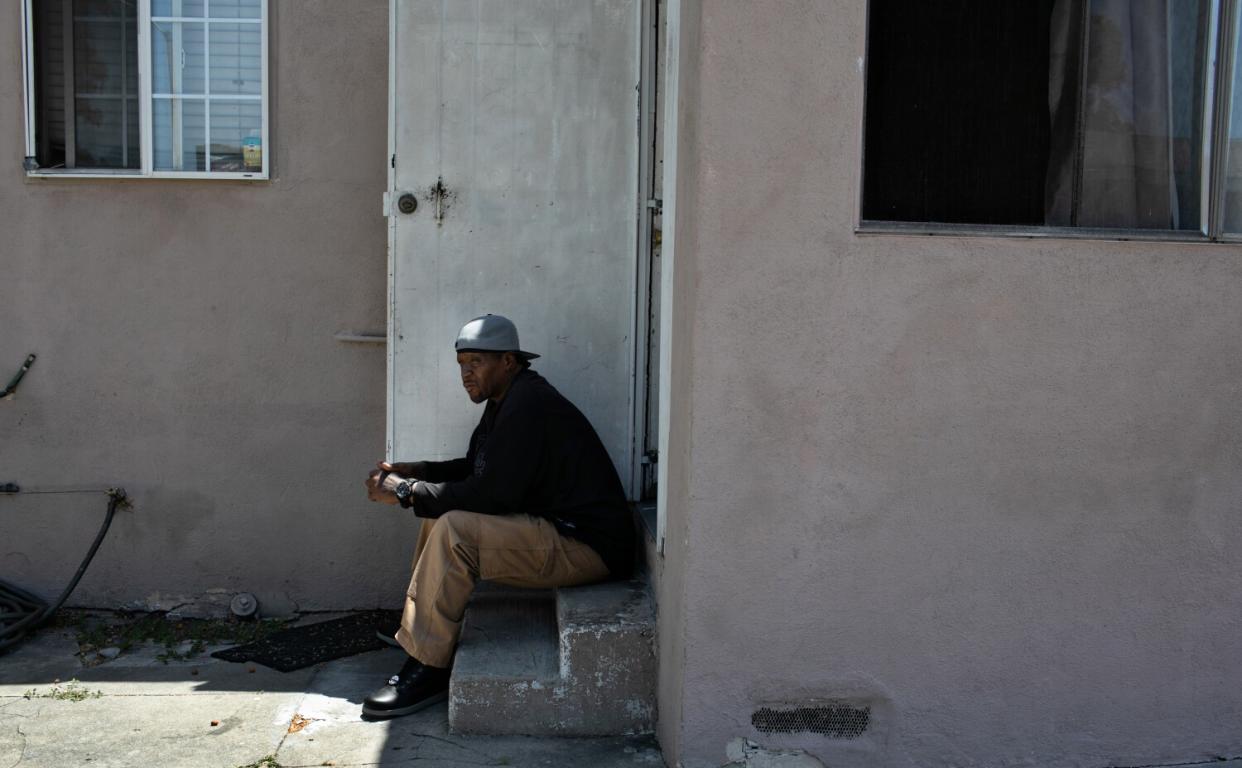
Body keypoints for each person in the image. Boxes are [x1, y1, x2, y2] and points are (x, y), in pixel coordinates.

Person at [360, 314, 635, 718]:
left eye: (476, 362)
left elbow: (491, 496)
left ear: (509, 360)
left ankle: (430, 666)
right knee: (439, 518)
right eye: (461, 364)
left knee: (454, 528)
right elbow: (478, 468)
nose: (466, 374)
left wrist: (405, 491)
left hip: (588, 547)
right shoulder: (506, 399)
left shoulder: (529, 404)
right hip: (557, 531)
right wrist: (420, 471)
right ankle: (420, 631)